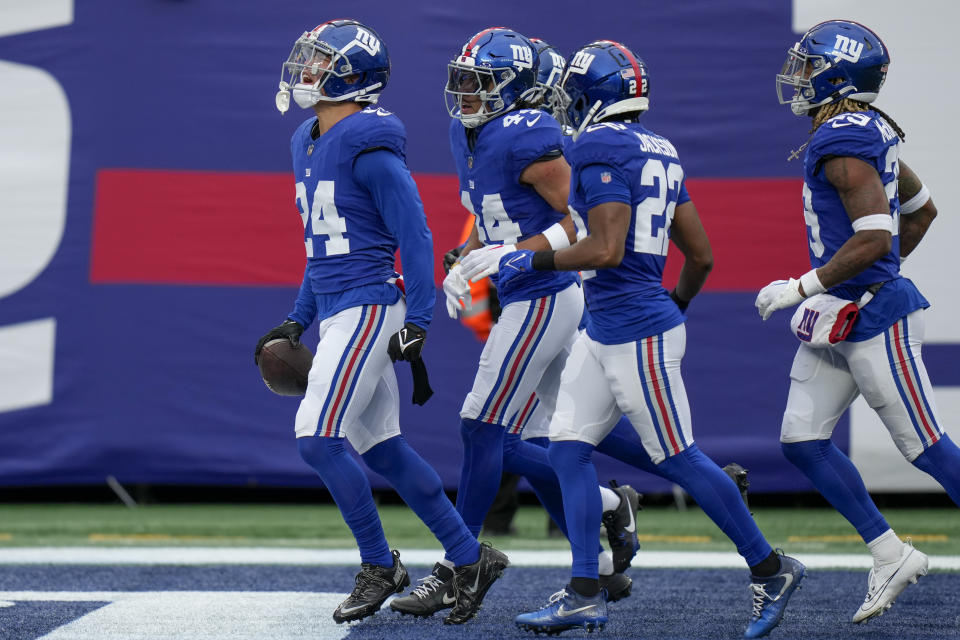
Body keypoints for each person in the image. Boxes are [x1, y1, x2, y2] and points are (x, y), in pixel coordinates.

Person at [503, 40, 805, 638]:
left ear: (596, 94)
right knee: (566, 450)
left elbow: (606, 249)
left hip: (633, 331)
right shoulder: (659, 148)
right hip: (610, 324)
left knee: (678, 458)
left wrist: (526, 263)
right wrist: (678, 306)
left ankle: (770, 568)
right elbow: (702, 255)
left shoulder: (597, 144)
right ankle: (586, 590)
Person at [254, 19, 508, 626]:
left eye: (319, 62)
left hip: (370, 307)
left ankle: (379, 564)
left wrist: (418, 317)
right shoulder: (306, 140)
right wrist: (297, 320)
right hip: (341, 306)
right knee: (385, 450)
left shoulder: (368, 142)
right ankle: (470, 557)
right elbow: (324, 250)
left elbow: (414, 237)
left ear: (350, 75)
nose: (306, 71)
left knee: (318, 438)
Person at [390, 27, 638, 619]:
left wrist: (506, 257)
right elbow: (491, 212)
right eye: (463, 80)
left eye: (481, 83)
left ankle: (460, 562)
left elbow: (580, 225)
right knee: (558, 437)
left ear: (518, 89)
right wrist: (468, 255)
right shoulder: (466, 131)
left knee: (482, 428)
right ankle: (607, 542)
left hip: (544, 294)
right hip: (523, 291)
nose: (466, 93)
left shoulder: (535, 138)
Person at [763, 19, 960, 623]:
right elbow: (921, 213)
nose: (797, 78)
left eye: (807, 67)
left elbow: (877, 237)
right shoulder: (863, 129)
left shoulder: (842, 139)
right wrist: (839, 285)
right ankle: (888, 552)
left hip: (876, 319)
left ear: (837, 76)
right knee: (802, 439)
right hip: (839, 315)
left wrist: (805, 284)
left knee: (923, 448)